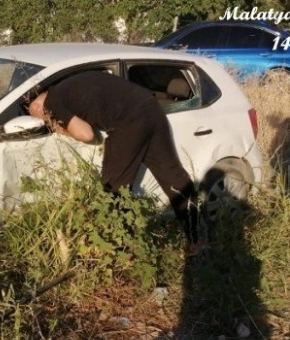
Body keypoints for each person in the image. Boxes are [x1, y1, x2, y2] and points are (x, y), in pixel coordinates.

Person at [27, 71, 199, 247]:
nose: (49, 122)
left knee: (114, 190)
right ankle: (197, 238)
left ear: (38, 108)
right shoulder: (68, 86)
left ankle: (122, 251)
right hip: (150, 106)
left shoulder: (52, 103)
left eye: (44, 120)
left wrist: (61, 129)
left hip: (127, 121)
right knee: (173, 177)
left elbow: (86, 134)